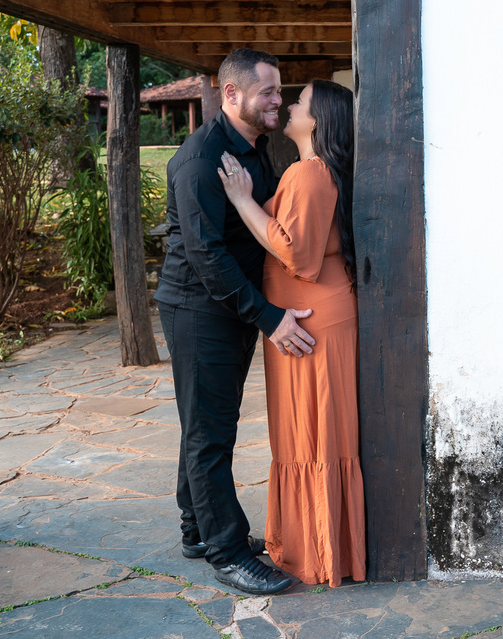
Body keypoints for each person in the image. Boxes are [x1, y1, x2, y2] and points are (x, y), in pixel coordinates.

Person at [154, 48, 315, 596]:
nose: (278, 101)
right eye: (268, 91)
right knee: (210, 434)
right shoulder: (202, 159)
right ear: (231, 94)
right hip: (199, 309)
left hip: (229, 305)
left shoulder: (252, 149)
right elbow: (207, 257)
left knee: (205, 423)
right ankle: (226, 551)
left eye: (279, 91)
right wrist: (269, 317)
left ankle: (197, 530)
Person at [218, 78, 366, 587]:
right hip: (319, 315)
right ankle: (327, 547)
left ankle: (315, 552)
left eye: (299, 101)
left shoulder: (308, 172)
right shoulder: (323, 171)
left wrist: (242, 200)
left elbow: (296, 253)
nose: (288, 105)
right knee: (318, 435)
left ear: (318, 119)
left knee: (308, 436)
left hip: (308, 322)